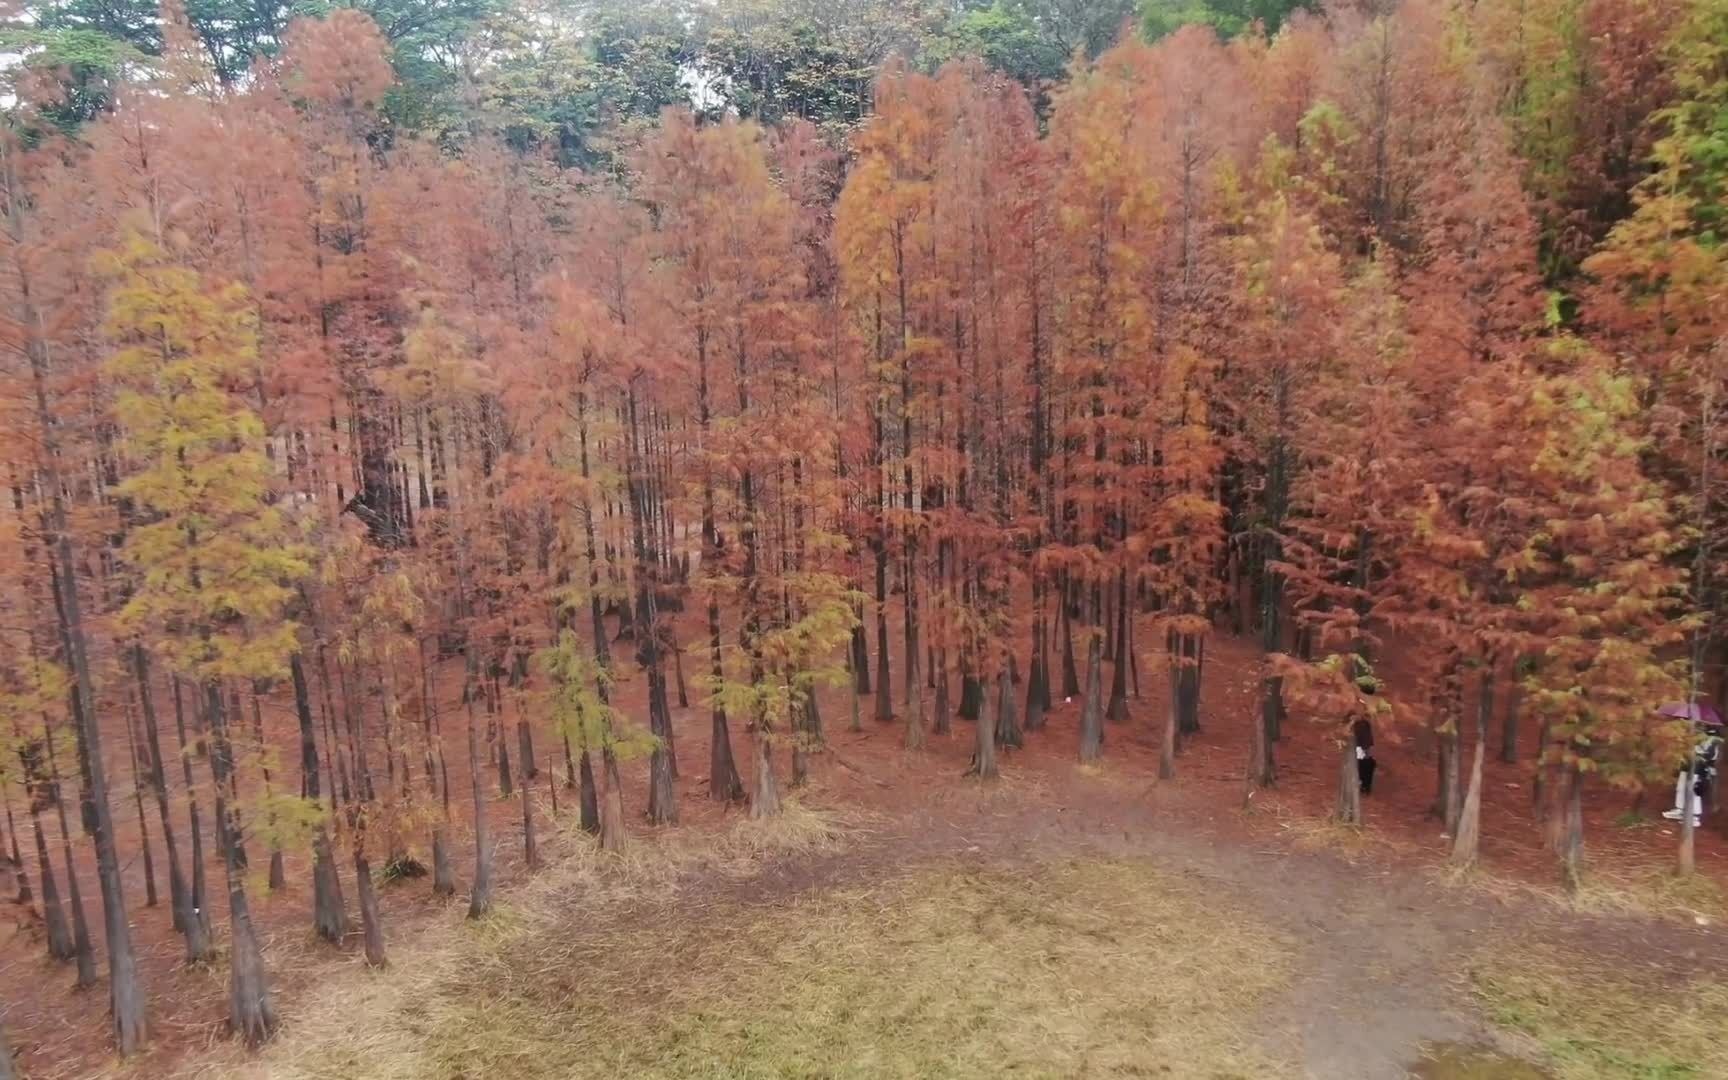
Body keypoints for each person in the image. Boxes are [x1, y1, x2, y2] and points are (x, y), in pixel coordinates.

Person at [1664, 716, 1723, 826]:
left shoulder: (1714, 739)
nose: (1703, 726)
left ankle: (1694, 816)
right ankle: (1680, 810)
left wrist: (1695, 749)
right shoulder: (1696, 734)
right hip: (1687, 765)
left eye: (1705, 724)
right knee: (1681, 788)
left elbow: (1710, 755)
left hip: (1699, 768)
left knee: (1694, 791)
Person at [1353, 713, 1376, 796]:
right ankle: (1365, 786)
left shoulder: (1363, 724)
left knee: (1365, 766)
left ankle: (1365, 786)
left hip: (1363, 747)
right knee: (1365, 765)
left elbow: (1367, 738)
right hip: (1362, 748)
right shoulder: (1361, 725)